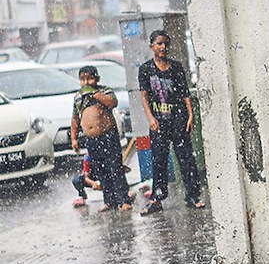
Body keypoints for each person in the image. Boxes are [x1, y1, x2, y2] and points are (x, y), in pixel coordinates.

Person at [138, 29, 205, 216]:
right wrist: (150, 118)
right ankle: (157, 198)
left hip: (178, 121)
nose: (163, 47)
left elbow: (184, 94)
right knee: (158, 161)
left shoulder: (176, 67)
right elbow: (144, 97)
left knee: (186, 159)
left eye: (166, 43)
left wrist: (190, 115)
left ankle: (192, 195)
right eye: (159, 43)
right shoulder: (145, 69)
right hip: (159, 123)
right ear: (152, 46)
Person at [70, 65, 132, 212]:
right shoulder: (78, 97)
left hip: (108, 136)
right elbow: (75, 119)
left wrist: (95, 94)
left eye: (90, 78)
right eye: (83, 79)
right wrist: (74, 138)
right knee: (101, 170)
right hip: (92, 140)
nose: (86, 83)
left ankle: (124, 199)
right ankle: (109, 200)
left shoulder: (104, 91)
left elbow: (112, 103)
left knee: (115, 168)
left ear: (97, 79)